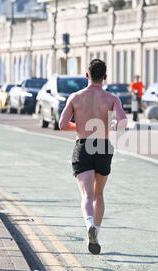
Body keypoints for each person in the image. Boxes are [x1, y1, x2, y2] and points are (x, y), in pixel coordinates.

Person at [59, 59, 128, 255]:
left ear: (86, 75)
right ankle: (96, 231)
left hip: (83, 146)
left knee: (86, 195)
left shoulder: (75, 97)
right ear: (105, 77)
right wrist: (114, 126)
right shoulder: (112, 98)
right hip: (104, 146)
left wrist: (79, 126)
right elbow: (123, 121)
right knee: (99, 194)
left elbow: (62, 124)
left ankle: (88, 224)